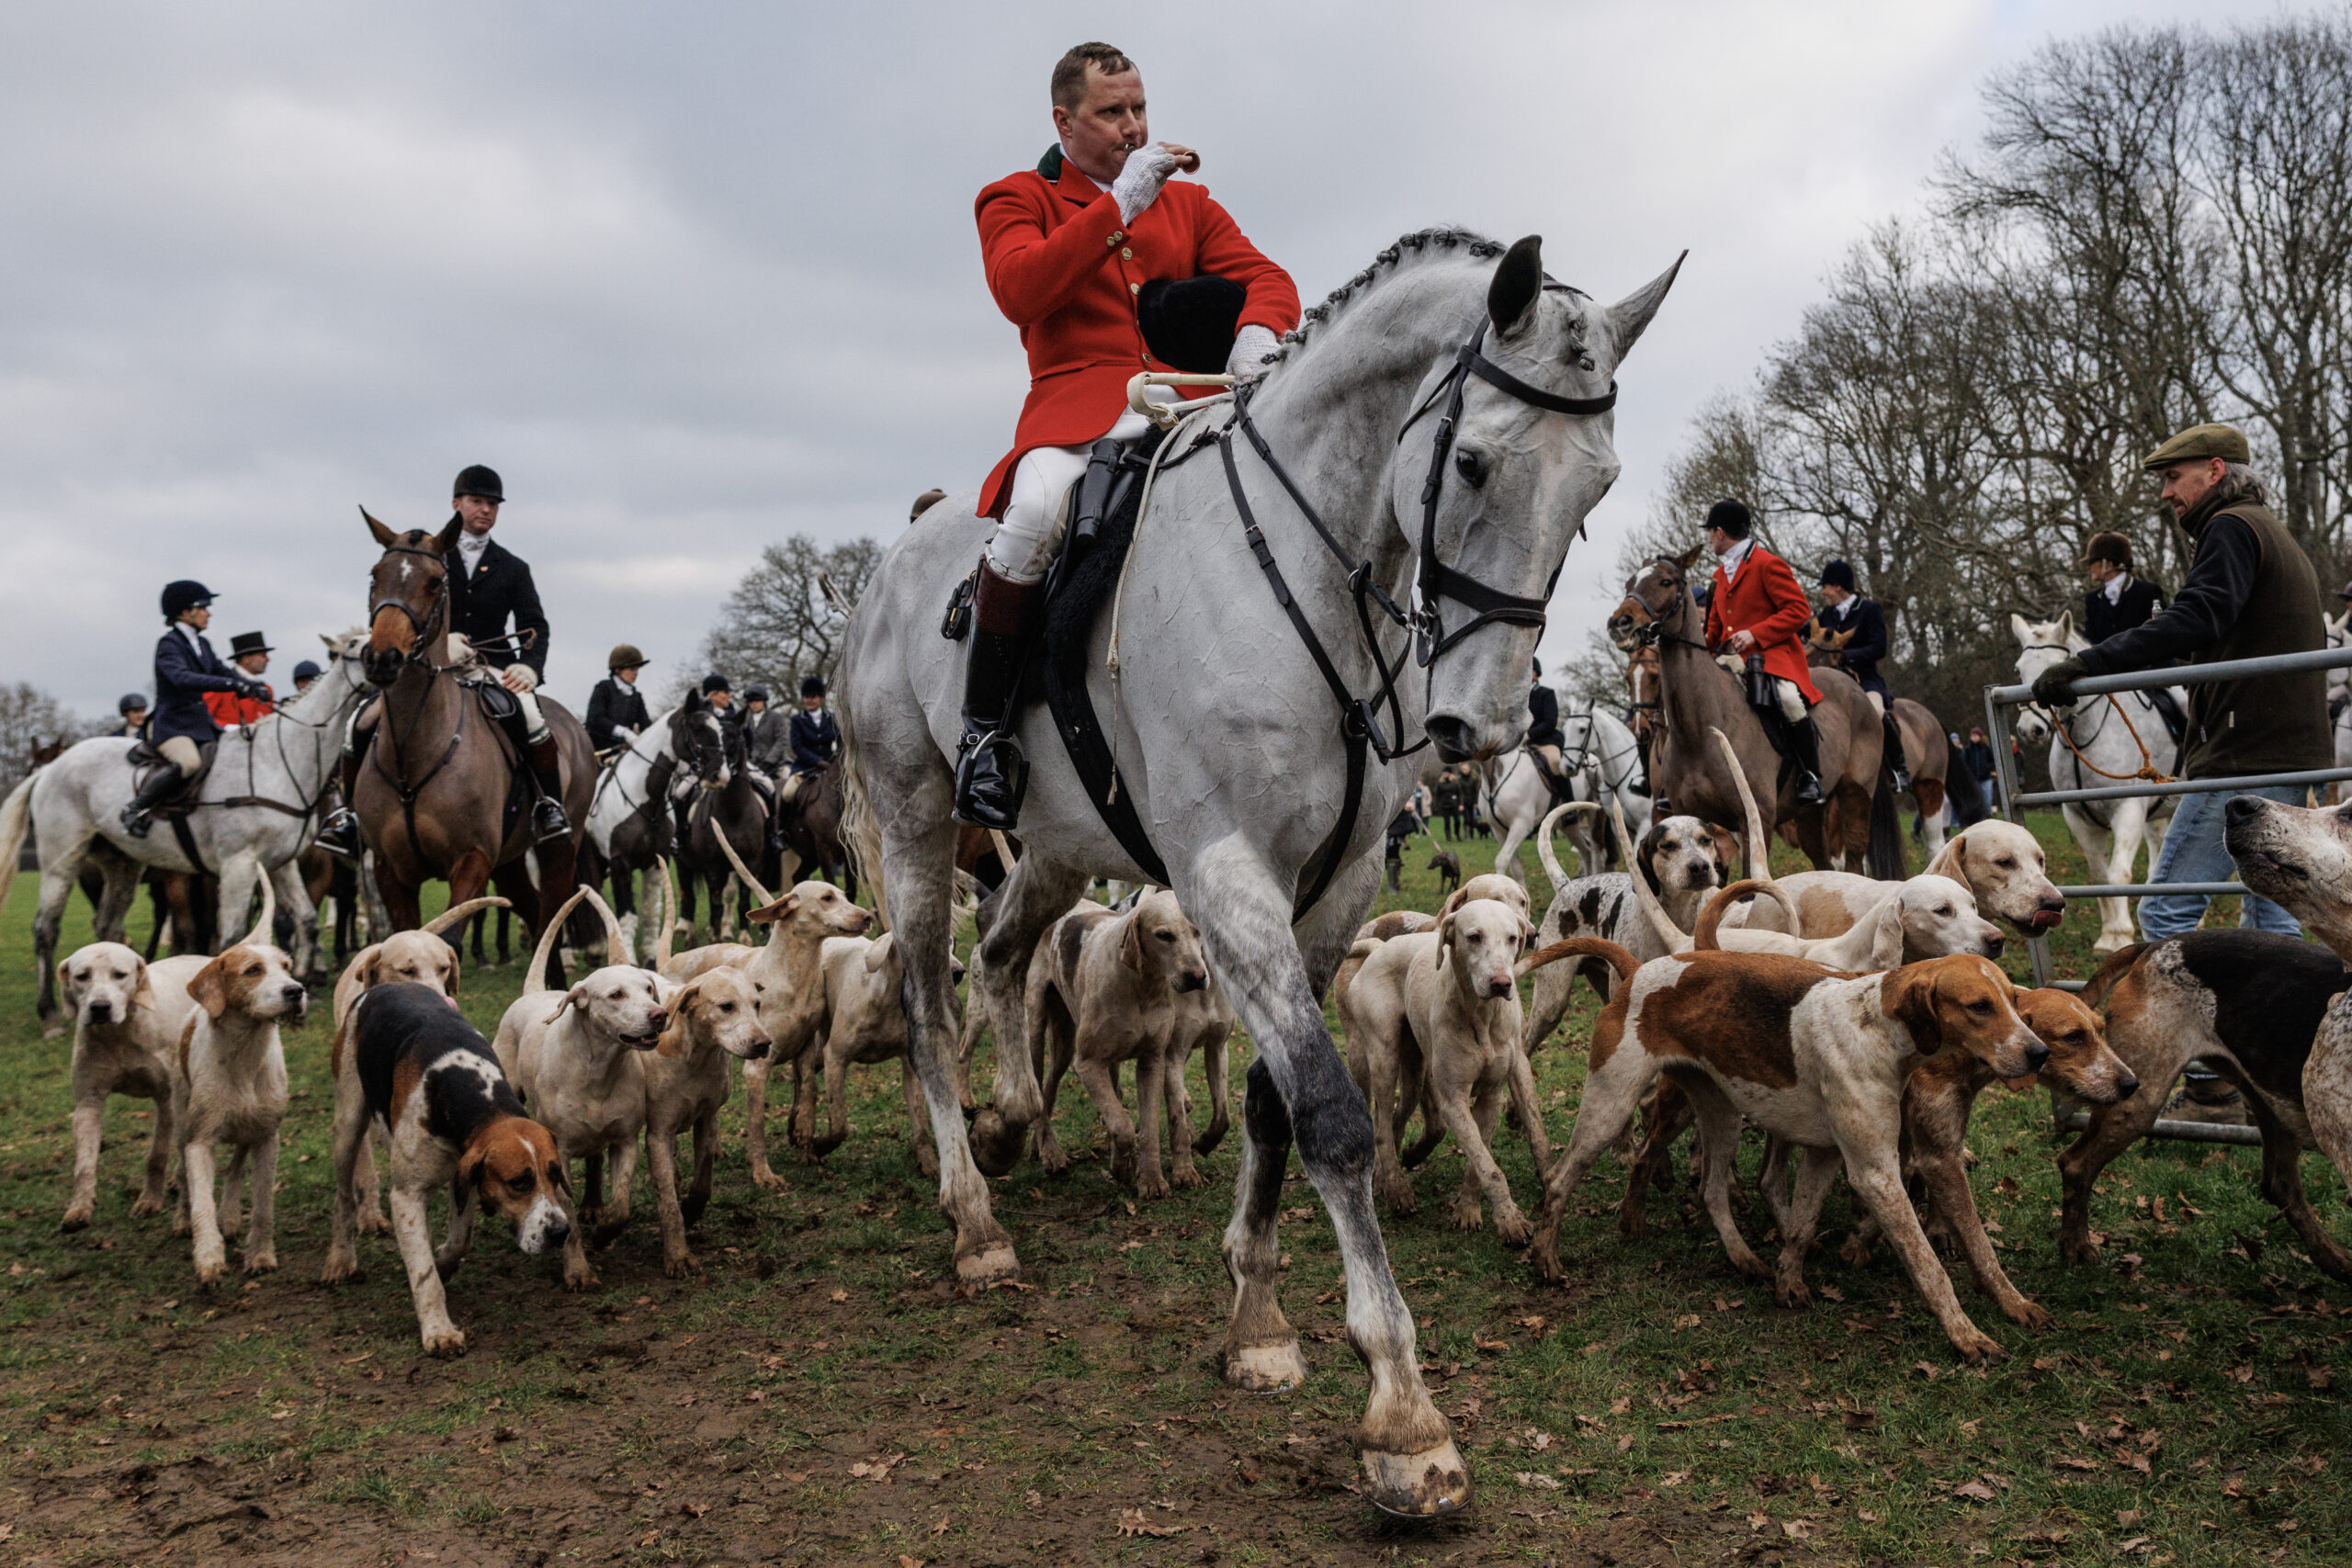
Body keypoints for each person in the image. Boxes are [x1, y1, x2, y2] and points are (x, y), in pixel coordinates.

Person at [953, 40, 1302, 830]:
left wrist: (1257, 332)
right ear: (1064, 121)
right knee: (1037, 513)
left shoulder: (1190, 200)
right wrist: (1118, 209)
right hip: (1078, 407)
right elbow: (1021, 289)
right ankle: (984, 734)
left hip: (1187, 399)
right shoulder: (1012, 197)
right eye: (1112, 113)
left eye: (1139, 108)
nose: (1134, 127)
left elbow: (1269, 278)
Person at [2031, 423, 2329, 1128]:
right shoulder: (2267, 528)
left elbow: (2200, 614)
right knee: (2270, 919)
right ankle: (2268, 1076)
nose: (2166, 492)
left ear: (2215, 471)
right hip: (2284, 745)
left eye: (2175, 478)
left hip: (2243, 749)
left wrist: (2091, 663)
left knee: (2165, 909)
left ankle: (2191, 1068)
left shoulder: (2229, 527)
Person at [318, 464, 566, 858]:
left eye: (492, 504)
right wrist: (439, 641)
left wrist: (529, 667)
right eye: (476, 501)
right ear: (457, 504)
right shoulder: (424, 558)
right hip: (428, 667)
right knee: (358, 724)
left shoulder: (514, 568)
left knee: (531, 717)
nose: (485, 509)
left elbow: (535, 624)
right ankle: (348, 816)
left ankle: (548, 807)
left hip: (491, 666)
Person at [1702, 499, 1826, 804]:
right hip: (1728, 659)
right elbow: (1714, 631)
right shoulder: (1719, 576)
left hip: (1771, 656)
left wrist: (1755, 633)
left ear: (1719, 532)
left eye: (1709, 532)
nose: (1708, 538)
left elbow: (1799, 610)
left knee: (1788, 701)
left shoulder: (1767, 563)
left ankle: (1811, 775)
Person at [120, 581, 267, 838]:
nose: (208, 613)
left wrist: (252, 686)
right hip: (173, 724)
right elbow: (182, 678)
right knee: (188, 763)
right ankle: (135, 808)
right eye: (203, 607)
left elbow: (222, 671)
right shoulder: (169, 644)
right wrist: (232, 685)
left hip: (201, 723)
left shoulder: (203, 645)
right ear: (184, 612)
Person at [1815, 560, 1910, 792]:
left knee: (1877, 712)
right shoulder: (1826, 614)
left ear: (1838, 587)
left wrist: (1844, 655)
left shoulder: (1870, 609)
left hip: (1864, 679)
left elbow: (1879, 648)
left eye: (1825, 587)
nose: (1823, 592)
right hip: (1832, 684)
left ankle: (1899, 770)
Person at [2081, 531, 2166, 642]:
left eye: (2092, 561)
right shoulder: (2092, 600)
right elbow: (2090, 640)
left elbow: (2160, 634)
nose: (2088, 567)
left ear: (2108, 563)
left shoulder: (2148, 592)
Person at [781, 675, 839, 807]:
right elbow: (797, 747)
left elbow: (840, 740)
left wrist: (834, 759)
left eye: (813, 697)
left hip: (830, 766)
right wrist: (818, 761)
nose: (809, 700)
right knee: (787, 793)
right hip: (805, 767)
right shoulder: (797, 720)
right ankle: (782, 827)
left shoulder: (832, 718)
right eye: (806, 697)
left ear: (821, 698)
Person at [585, 644, 653, 756]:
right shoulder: (603, 688)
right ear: (617, 670)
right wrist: (624, 732)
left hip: (623, 752)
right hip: (598, 751)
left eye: (637, 669)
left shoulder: (636, 696)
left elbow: (645, 725)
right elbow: (595, 719)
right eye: (632, 669)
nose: (635, 673)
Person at [203, 631, 276, 728]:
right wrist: (227, 727)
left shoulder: (266, 689)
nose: (268, 659)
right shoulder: (221, 684)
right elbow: (203, 716)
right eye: (263, 655)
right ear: (246, 659)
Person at [1526, 659, 1566, 784]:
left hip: (1544, 742)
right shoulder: (1515, 696)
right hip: (1519, 743)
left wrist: (1529, 734)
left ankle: (1569, 799)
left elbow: (1550, 722)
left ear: (1535, 674)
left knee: (1555, 763)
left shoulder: (1546, 693)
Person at [743, 685, 790, 778]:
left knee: (789, 785)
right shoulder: (747, 721)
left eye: (757, 701)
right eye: (751, 702)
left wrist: (769, 760)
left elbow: (782, 740)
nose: (754, 704)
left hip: (777, 764)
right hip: (755, 765)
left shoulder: (776, 717)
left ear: (763, 701)